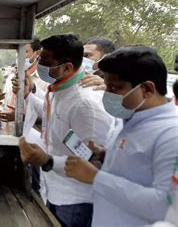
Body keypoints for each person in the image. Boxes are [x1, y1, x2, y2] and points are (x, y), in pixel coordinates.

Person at [64, 45, 178, 226]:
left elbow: (163, 205)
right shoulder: (128, 117)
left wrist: (96, 177)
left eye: (115, 87)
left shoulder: (171, 134)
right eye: (107, 85)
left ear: (147, 89)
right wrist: (105, 155)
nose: (107, 94)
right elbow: (138, 166)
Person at [18, 34, 115, 227]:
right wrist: (28, 95)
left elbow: (90, 160)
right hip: (56, 190)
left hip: (77, 199)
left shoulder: (85, 103)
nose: (40, 65)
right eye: (40, 59)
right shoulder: (60, 90)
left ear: (67, 67)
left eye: (45, 61)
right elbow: (50, 114)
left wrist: (47, 161)